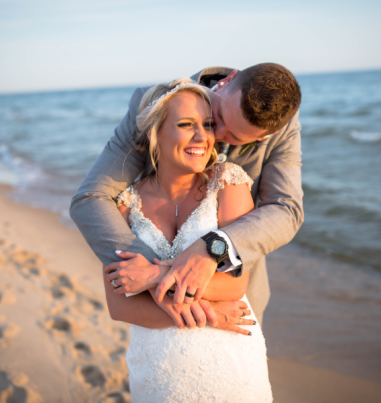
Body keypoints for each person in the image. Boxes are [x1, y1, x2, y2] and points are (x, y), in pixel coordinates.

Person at [71, 64, 303, 325]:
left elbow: (287, 210)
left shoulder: (281, 127)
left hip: (234, 304)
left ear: (266, 135)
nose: (212, 136)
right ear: (227, 81)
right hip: (155, 309)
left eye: (234, 136)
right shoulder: (159, 105)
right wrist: (156, 276)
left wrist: (215, 248)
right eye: (218, 118)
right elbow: (92, 197)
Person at [104, 78, 272, 401]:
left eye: (208, 125)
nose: (202, 137)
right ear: (156, 133)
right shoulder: (124, 205)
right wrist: (211, 316)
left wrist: (153, 276)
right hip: (156, 370)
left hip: (230, 366)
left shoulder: (229, 185)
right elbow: (118, 305)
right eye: (185, 124)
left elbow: (234, 285)